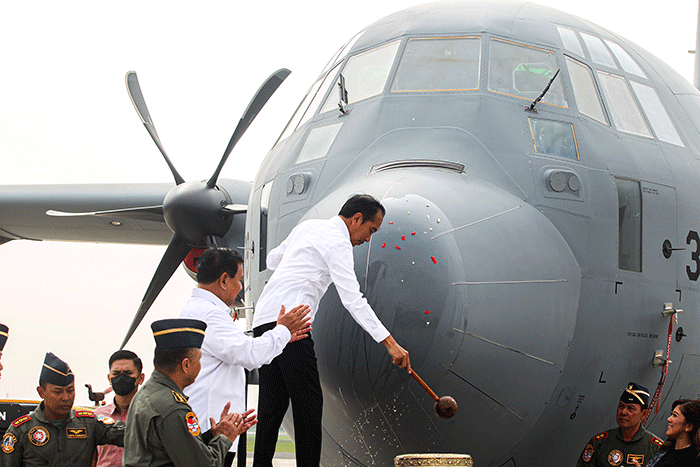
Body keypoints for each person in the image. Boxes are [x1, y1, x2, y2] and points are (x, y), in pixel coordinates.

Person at [251, 194, 411, 467]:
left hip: (264, 320)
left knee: (272, 406)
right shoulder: (338, 242)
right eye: (371, 230)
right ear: (356, 219)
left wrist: (301, 262)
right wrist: (390, 344)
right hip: (292, 324)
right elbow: (353, 300)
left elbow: (272, 259)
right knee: (308, 407)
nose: (368, 239)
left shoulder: (308, 227)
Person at [180, 247, 312, 467]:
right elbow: (248, 354)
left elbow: (241, 349)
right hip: (210, 429)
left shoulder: (197, 309)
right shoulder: (210, 314)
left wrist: (281, 338)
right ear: (224, 280)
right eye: (239, 280)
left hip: (209, 427)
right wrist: (282, 330)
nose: (240, 288)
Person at [123, 318, 256, 467]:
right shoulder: (173, 407)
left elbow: (172, 447)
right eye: (199, 359)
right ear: (186, 365)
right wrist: (225, 438)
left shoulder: (148, 393)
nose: (200, 365)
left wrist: (213, 436)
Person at [0, 352, 124, 467]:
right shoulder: (21, 430)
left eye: (70, 391)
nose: (66, 398)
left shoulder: (89, 423)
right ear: (41, 392)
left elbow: (131, 434)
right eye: (57, 392)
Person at [576, 382, 663, 467]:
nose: (623, 412)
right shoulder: (600, 443)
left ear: (644, 414)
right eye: (621, 406)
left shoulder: (655, 448)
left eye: (630, 408)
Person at [92, 350, 145, 467]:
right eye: (116, 374)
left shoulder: (150, 415)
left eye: (127, 373)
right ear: (109, 378)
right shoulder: (96, 417)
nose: (121, 378)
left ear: (141, 378)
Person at [637, 399, 700, 466]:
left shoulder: (695, 458)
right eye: (671, 414)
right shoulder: (666, 450)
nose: (669, 419)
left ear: (689, 426)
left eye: (675, 415)